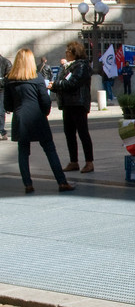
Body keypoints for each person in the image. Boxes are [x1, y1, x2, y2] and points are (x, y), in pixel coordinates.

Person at [4, 49, 75, 193]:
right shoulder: (37, 78)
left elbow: (7, 105)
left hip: (20, 117)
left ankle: (28, 184)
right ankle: (62, 182)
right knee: (49, 149)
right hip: (37, 117)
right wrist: (45, 113)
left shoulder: (9, 80)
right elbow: (45, 100)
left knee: (23, 151)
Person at [49, 41, 94, 173]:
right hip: (68, 104)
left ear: (75, 53)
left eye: (68, 51)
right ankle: (73, 161)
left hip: (78, 103)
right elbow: (62, 81)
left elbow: (72, 83)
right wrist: (56, 85)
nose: (66, 53)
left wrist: (55, 85)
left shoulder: (81, 66)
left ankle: (89, 162)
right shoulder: (67, 66)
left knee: (83, 133)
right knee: (69, 134)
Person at [0, 52, 11, 141]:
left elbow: (9, 78)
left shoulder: (6, 62)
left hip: (2, 90)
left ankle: (1, 131)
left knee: (1, 111)